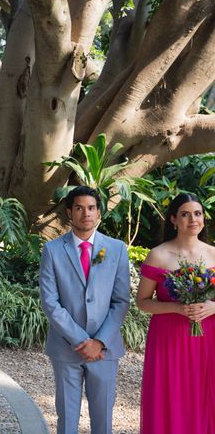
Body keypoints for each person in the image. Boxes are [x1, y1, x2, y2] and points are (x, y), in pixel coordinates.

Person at [39, 186, 130, 434]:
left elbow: (121, 301)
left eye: (91, 208)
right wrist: (81, 340)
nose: (86, 213)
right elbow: (50, 302)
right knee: (67, 419)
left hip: (105, 349)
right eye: (79, 208)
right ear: (70, 212)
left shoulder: (116, 249)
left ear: (99, 213)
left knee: (103, 420)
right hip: (66, 347)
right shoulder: (53, 250)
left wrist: (99, 341)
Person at [136, 193, 215, 433]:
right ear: (173, 219)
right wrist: (176, 307)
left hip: (208, 336)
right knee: (170, 395)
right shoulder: (158, 255)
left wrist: (213, 306)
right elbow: (142, 302)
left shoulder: (214, 253)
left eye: (198, 213)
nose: (193, 219)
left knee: (205, 396)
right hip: (169, 338)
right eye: (185, 214)